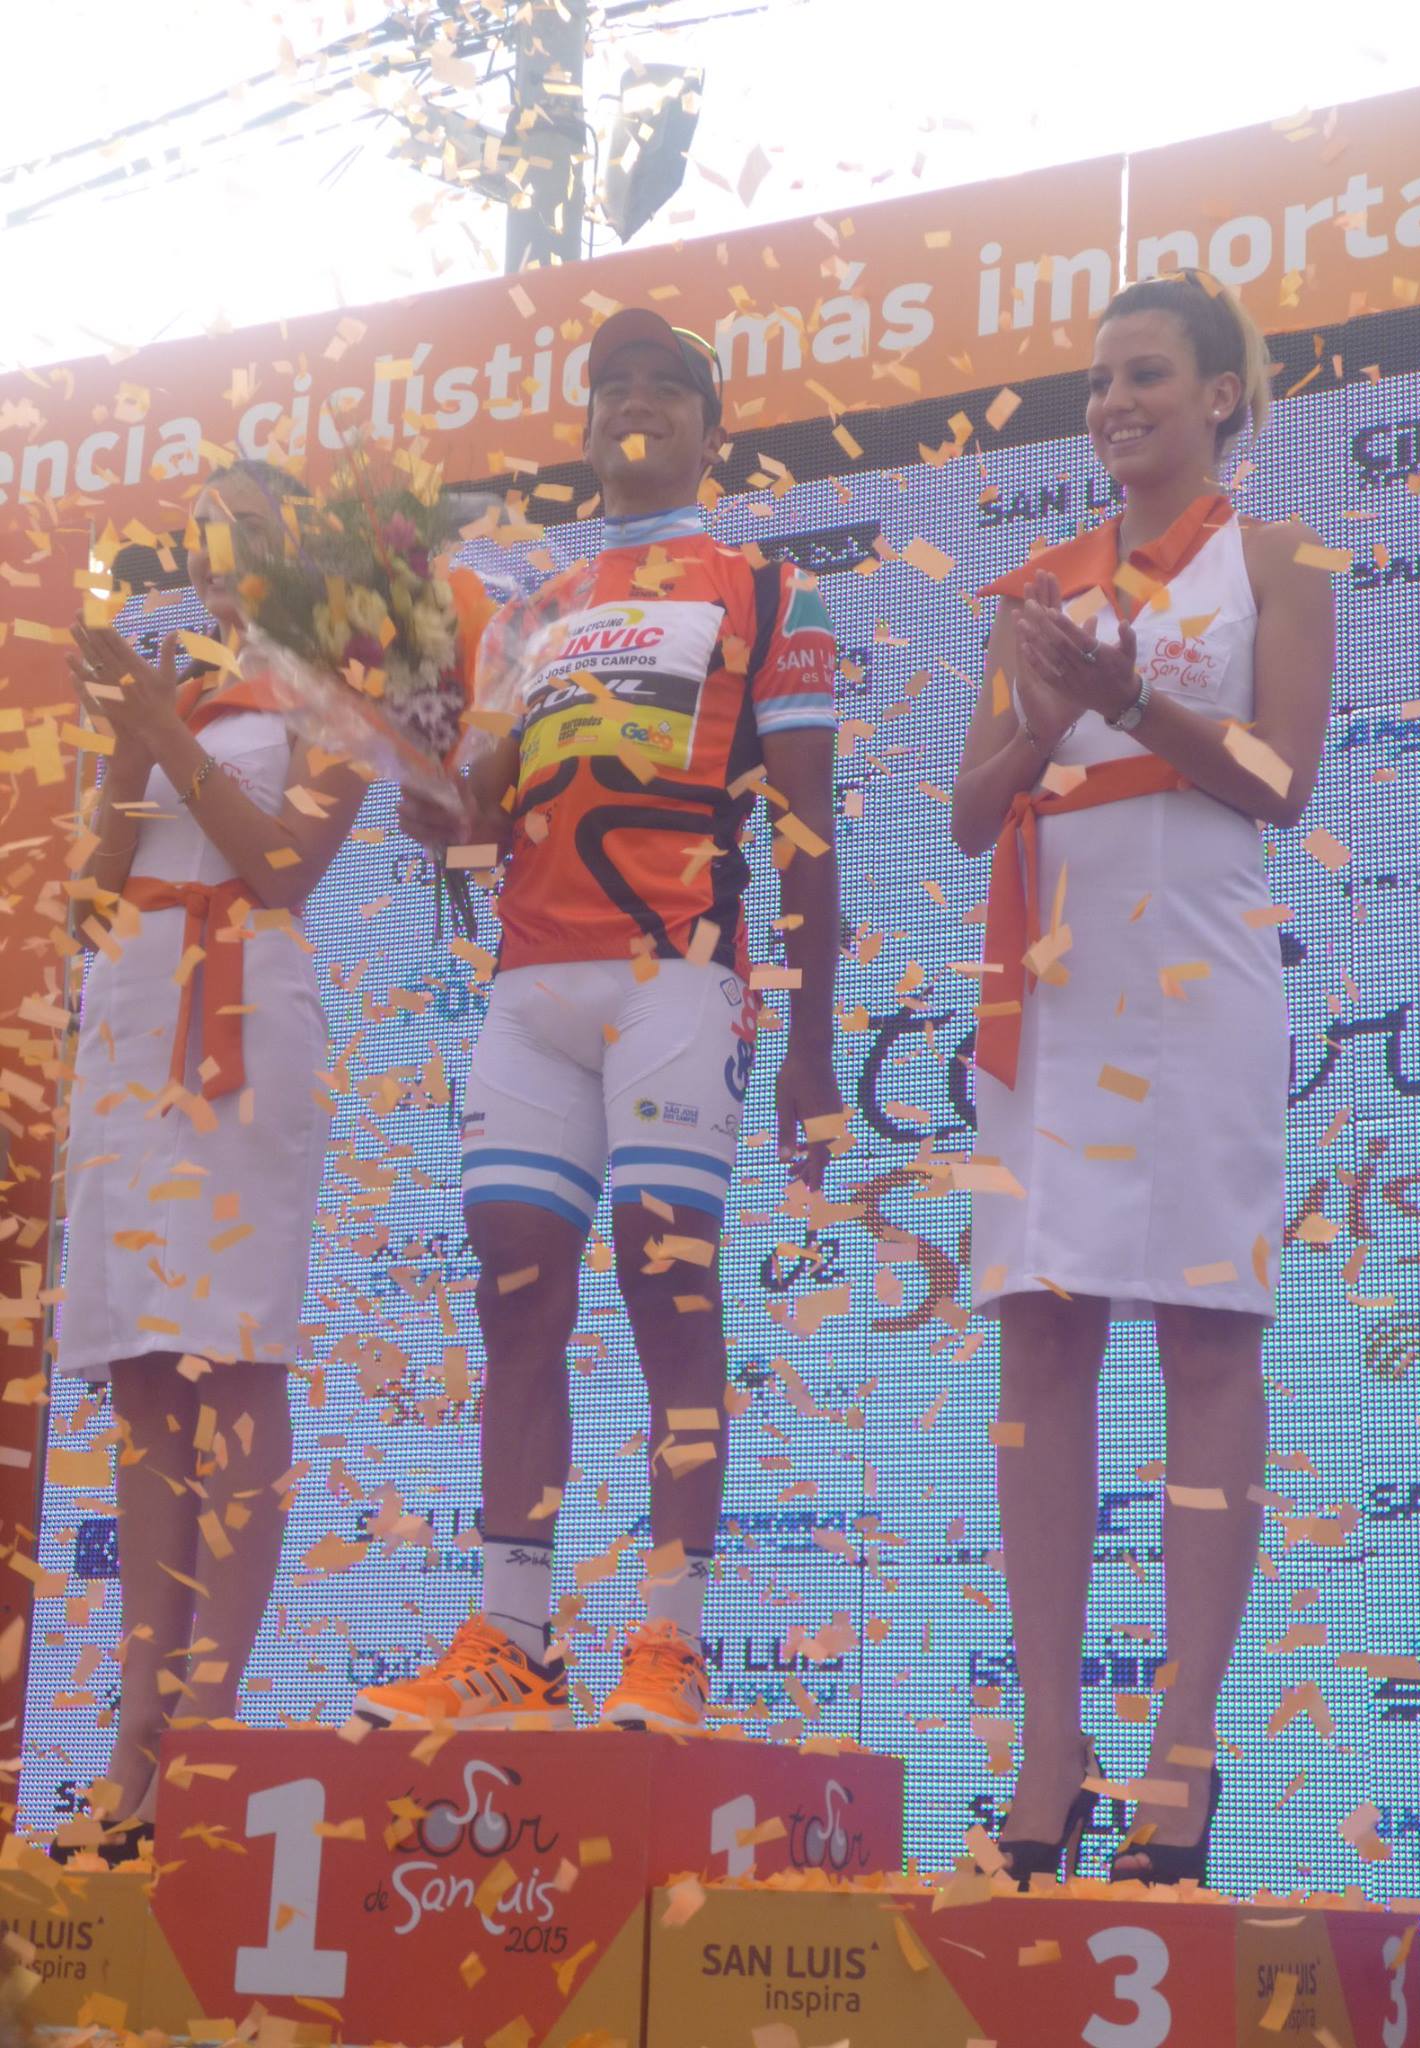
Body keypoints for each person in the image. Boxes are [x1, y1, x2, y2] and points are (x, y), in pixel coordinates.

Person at [355, 309, 842, 1735]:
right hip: (531, 985)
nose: (635, 403)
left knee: (666, 1290)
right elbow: (467, 820)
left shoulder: (769, 589)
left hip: (678, 976)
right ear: (581, 430)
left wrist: (812, 1040)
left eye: (664, 386)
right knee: (517, 1297)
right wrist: (416, 746)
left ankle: (669, 1642)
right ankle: (513, 1638)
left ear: (712, 428)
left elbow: (808, 831)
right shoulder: (531, 612)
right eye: (609, 386)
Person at [951, 273, 1334, 1883]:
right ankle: (1050, 1746)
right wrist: (1044, 721)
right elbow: (970, 811)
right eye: (1100, 380)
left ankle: (1185, 1749)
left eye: (1149, 375)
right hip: (1054, 976)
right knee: (1041, 1339)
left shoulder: (1277, 560)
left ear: (1224, 395)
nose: (1115, 403)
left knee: (1204, 1336)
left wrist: (1131, 701)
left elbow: (1281, 780)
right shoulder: (1036, 586)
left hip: (1197, 966)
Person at [57, 458, 367, 1856]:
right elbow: (91, 892)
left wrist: (166, 741)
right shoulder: (174, 685)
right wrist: (134, 738)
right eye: (203, 534)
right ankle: (134, 1727)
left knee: (229, 1358)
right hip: (131, 1010)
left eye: (248, 531)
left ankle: (207, 1722)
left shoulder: (338, 684)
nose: (216, 553)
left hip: (246, 1010)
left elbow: (285, 865)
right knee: (141, 1370)